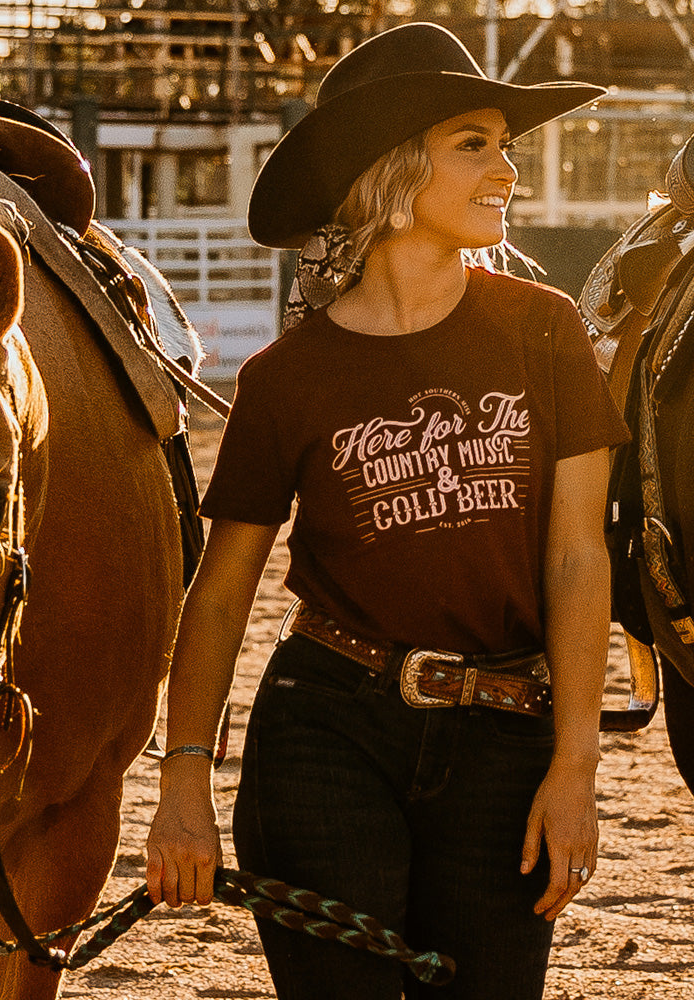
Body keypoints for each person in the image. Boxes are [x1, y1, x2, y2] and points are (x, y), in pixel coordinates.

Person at [145, 20, 630, 1000]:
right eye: (475, 144)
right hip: (325, 733)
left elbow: (578, 558)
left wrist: (576, 764)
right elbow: (223, 586)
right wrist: (183, 782)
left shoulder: (545, 333)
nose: (507, 171)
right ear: (391, 166)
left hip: (507, 735)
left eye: (505, 145)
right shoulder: (287, 377)